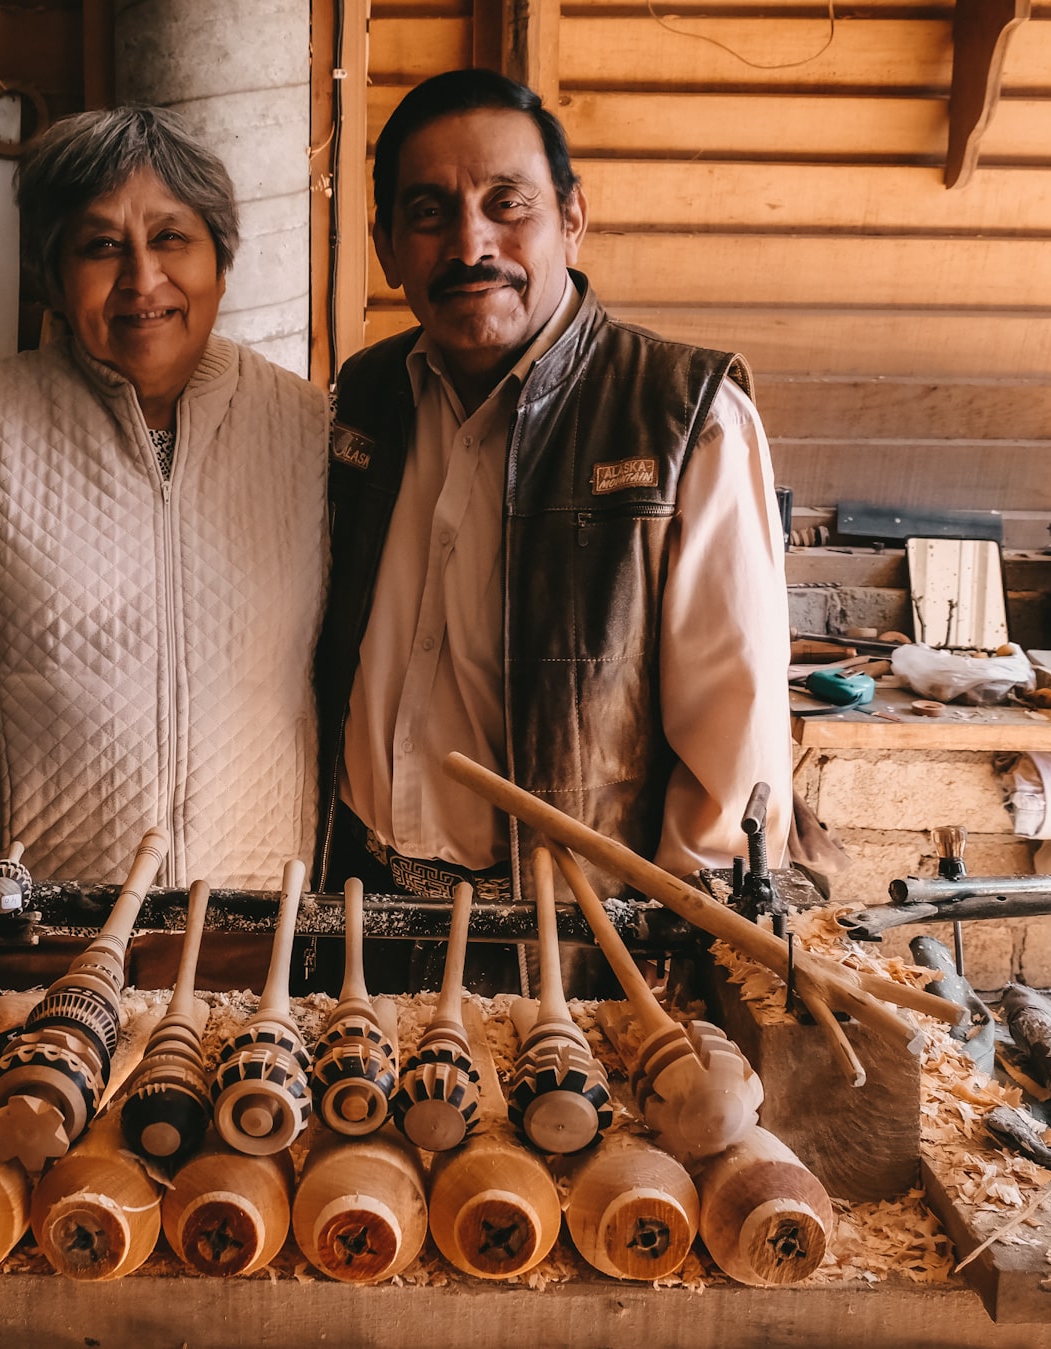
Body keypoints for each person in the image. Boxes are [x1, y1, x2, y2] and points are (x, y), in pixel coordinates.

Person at [311, 69, 791, 978]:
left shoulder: (686, 417)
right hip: (355, 919)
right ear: (385, 245)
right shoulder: (362, 402)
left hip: (570, 950)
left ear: (571, 216)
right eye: (428, 212)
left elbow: (736, 747)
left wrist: (688, 962)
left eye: (507, 202)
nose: (470, 243)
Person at [0, 107, 327, 943]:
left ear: (222, 262)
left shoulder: (310, 430)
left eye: (172, 238)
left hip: (242, 937)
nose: (142, 280)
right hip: (15, 936)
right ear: (50, 271)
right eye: (101, 245)